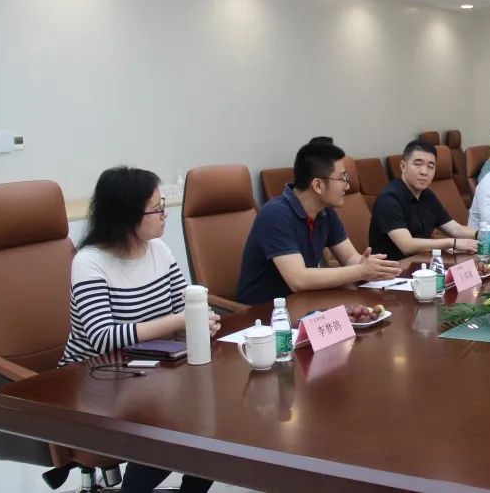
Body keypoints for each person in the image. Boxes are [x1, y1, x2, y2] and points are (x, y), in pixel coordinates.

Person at [59, 166, 220, 493]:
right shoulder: (90, 262)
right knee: (173, 424)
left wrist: (200, 320)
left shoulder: (159, 249)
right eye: (157, 209)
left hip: (148, 370)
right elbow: (103, 338)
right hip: (93, 379)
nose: (165, 215)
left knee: (216, 419)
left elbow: (182, 306)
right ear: (127, 216)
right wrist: (180, 321)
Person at [236, 142, 401, 305]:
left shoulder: (326, 212)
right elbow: (298, 279)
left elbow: (349, 257)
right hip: (265, 312)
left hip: (305, 301)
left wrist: (369, 265)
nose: (347, 185)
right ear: (318, 185)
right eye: (342, 178)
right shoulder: (275, 214)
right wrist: (360, 271)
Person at [368, 140, 479, 260]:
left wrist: (482, 234)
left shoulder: (427, 195)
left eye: (430, 167)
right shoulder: (388, 199)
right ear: (403, 166)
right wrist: (452, 243)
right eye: (418, 164)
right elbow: (407, 246)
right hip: (394, 268)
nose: (424, 172)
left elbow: (456, 229)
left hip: (422, 261)